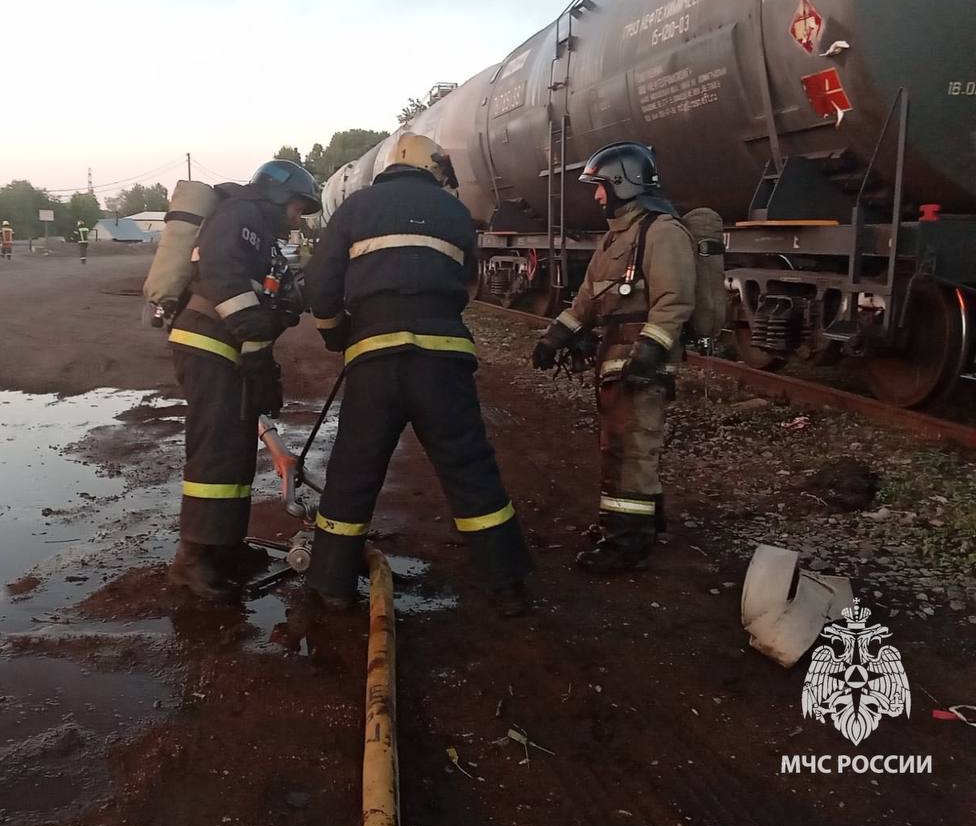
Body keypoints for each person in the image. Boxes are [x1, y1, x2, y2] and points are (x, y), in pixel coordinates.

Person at [303, 133, 533, 614]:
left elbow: (320, 286)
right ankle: (506, 583)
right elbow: (469, 283)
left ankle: (330, 584)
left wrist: (336, 333)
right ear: (432, 169)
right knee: (470, 469)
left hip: (374, 362)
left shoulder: (355, 208)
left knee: (353, 472)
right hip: (443, 362)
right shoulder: (455, 214)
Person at [531, 141, 695, 573]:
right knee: (619, 445)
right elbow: (587, 301)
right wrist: (553, 338)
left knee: (633, 448)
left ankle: (627, 542)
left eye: (601, 186)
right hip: (615, 356)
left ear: (624, 182)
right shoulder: (615, 239)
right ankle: (630, 524)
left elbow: (674, 300)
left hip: (641, 358)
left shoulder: (663, 232)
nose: (597, 195)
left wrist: (651, 348)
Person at [166, 159, 320, 602]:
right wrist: (255, 345)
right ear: (275, 194)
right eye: (295, 207)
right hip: (209, 346)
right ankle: (193, 562)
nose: (296, 218)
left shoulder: (261, 231)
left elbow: (266, 294)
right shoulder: (239, 215)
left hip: (228, 349)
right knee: (215, 455)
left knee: (233, 454)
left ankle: (225, 549)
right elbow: (223, 275)